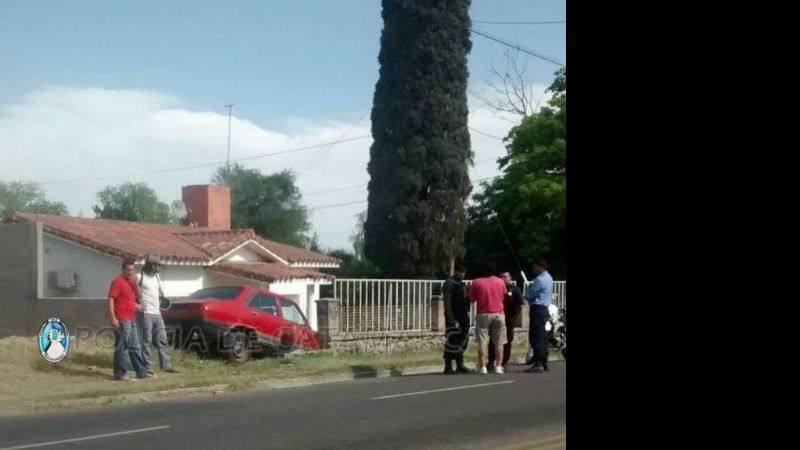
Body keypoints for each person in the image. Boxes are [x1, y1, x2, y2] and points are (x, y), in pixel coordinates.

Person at [108, 258, 151, 380]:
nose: (130, 272)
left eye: (132, 270)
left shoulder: (131, 283)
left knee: (135, 346)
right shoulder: (118, 282)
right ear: (123, 269)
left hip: (131, 318)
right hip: (121, 319)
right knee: (122, 347)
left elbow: (132, 298)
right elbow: (111, 299)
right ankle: (120, 373)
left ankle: (141, 372)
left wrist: (136, 304)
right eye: (128, 270)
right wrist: (112, 317)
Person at [137, 255, 178, 374]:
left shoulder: (157, 277)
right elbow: (134, 292)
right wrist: (137, 305)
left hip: (157, 312)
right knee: (147, 341)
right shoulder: (140, 277)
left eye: (159, 265)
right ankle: (147, 366)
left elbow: (158, 293)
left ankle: (166, 366)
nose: (159, 267)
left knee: (162, 339)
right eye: (157, 265)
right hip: (146, 313)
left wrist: (162, 299)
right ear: (151, 265)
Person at [468, 265, 507, 374]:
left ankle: (483, 367)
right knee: (499, 342)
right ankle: (498, 366)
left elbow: (471, 299)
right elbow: (503, 296)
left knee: (482, 341)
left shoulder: (476, 282)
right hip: (498, 313)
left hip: (483, 314)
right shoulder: (500, 281)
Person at [487, 271, 524, 372]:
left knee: (507, 341)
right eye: (501, 276)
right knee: (493, 340)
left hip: (509, 319)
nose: (503, 278)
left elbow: (520, 303)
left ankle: (504, 362)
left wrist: (514, 318)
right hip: (497, 317)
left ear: (510, 277)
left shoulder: (514, 289)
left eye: (505, 276)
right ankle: (491, 361)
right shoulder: (496, 287)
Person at [523, 259, 554, 373]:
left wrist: (524, 296)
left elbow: (530, 294)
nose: (533, 269)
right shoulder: (549, 277)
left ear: (541, 267)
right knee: (543, 336)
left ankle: (538, 363)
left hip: (538, 309)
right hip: (545, 309)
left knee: (536, 336)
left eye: (535, 267)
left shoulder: (539, 280)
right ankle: (544, 362)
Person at [442, 266, 471, 374]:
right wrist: (450, 317)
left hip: (463, 315)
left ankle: (460, 364)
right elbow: (447, 300)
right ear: (456, 271)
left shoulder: (461, 284)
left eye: (464, 272)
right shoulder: (449, 283)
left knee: (463, 340)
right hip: (454, 316)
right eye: (460, 272)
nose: (462, 274)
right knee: (452, 340)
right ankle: (448, 366)